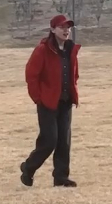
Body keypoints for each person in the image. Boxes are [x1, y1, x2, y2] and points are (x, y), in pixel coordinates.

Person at [20, 14, 80, 187]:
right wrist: (38, 98)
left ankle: (61, 177)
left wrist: (73, 92)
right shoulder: (42, 50)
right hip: (47, 103)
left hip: (65, 101)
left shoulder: (70, 49)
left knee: (64, 142)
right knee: (49, 141)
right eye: (62, 27)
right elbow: (31, 75)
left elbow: (74, 74)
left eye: (68, 27)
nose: (66, 30)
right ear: (53, 29)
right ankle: (28, 167)